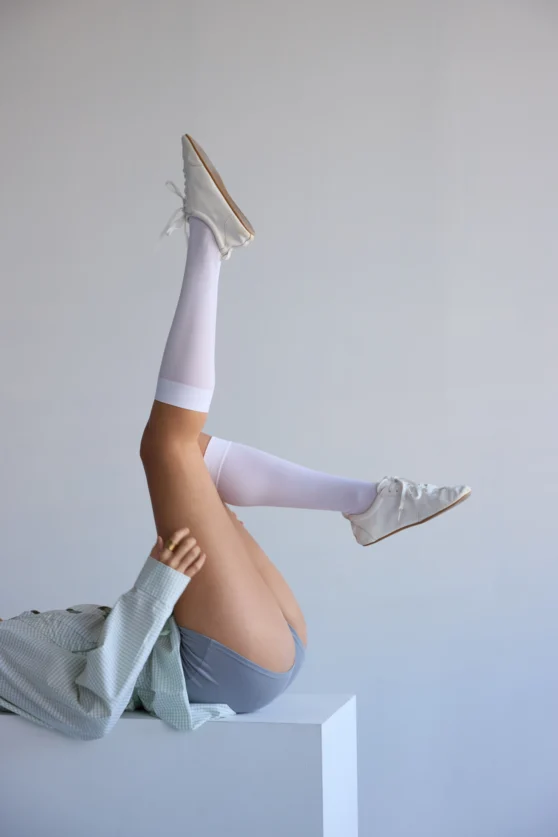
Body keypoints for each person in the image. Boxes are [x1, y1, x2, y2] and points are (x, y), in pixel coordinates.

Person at [0, 135, 471, 739]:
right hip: (218, 664)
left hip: (241, 646)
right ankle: (208, 239)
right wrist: (154, 586)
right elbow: (88, 714)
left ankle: (368, 503)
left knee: (189, 456)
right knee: (165, 447)